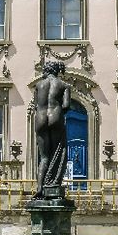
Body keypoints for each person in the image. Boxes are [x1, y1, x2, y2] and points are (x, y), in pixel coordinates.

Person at [32, 61, 71, 198]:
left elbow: (36, 104)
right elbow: (66, 105)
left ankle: (39, 187)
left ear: (46, 70)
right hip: (55, 117)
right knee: (57, 153)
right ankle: (53, 185)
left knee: (44, 157)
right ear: (57, 71)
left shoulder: (38, 85)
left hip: (40, 118)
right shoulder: (64, 85)